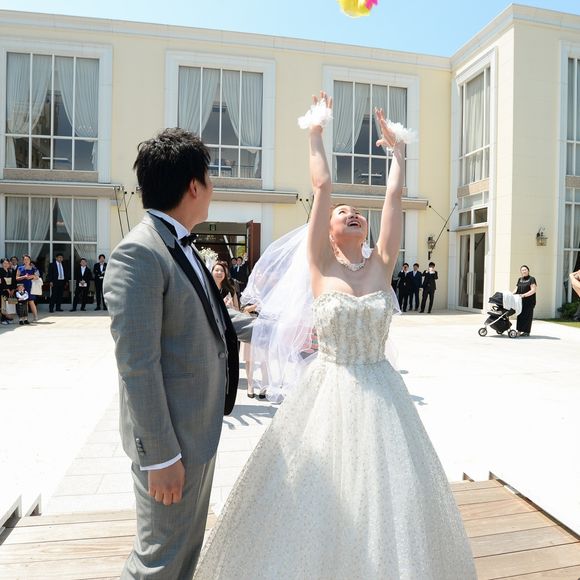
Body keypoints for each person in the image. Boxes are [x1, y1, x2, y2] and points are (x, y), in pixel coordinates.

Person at [193, 93, 476, 578]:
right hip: (329, 390)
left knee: (386, 494)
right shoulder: (321, 264)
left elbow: (393, 200)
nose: (351, 212)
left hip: (384, 393)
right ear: (326, 230)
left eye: (357, 212)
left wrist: (398, 153)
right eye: (342, 212)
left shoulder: (382, 264)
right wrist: (316, 132)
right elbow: (322, 185)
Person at [104, 127, 255, 580]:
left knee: (185, 552)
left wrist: (279, 329)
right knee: (158, 562)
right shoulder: (140, 253)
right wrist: (160, 456)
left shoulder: (179, 243)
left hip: (197, 433)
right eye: (209, 178)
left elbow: (213, 318)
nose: (212, 187)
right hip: (171, 446)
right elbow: (137, 365)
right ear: (193, 186)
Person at [513, 265, 537, 336]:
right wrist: (511, 294)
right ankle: (519, 331)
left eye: (525, 270)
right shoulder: (520, 279)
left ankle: (526, 332)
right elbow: (516, 289)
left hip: (529, 301)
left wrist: (524, 295)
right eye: (522, 270)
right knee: (520, 315)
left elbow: (533, 290)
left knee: (527, 316)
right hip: (520, 301)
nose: (524, 271)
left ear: (528, 270)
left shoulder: (532, 279)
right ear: (521, 272)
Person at [16, 255, 40, 322]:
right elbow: (17, 278)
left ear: (30, 260)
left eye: (28, 259)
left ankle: (35, 317)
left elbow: (37, 277)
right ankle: (25, 318)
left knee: (31, 301)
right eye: (25, 259)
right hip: (22, 287)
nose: (26, 261)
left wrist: (32, 276)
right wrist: (24, 276)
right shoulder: (20, 268)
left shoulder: (34, 268)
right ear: (23, 261)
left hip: (30, 286)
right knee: (24, 302)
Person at [1, 258, 17, 324]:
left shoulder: (11, 270)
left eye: (7, 263)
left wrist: (13, 289)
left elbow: (14, 281)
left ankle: (9, 317)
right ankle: (3, 319)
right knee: (3, 305)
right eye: (4, 263)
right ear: (1, 264)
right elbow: (2, 281)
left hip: (11, 290)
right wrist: (7, 289)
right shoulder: (0, 271)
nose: (6, 264)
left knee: (11, 304)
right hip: (3, 290)